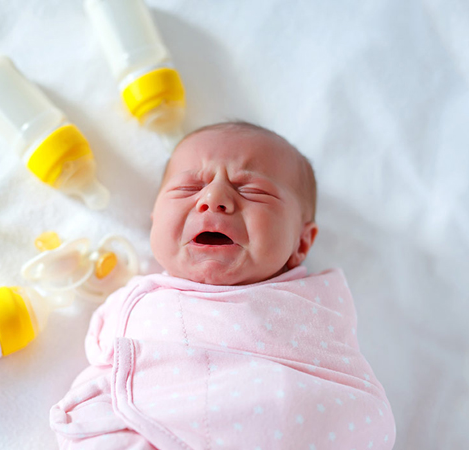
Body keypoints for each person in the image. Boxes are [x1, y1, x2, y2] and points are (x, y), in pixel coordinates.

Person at [50, 122, 396, 449]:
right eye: (189, 188)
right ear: (154, 221)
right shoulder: (148, 302)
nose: (214, 198)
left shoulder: (314, 310)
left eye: (253, 189)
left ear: (301, 243)